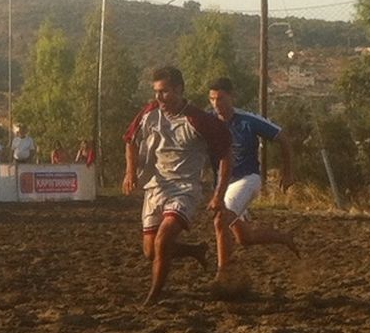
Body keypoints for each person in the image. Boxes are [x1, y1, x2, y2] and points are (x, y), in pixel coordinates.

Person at [123, 65, 232, 306]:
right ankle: (195, 251)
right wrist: (130, 172)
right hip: (155, 188)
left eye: (164, 92)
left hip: (184, 189)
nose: (159, 98)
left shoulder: (198, 120)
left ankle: (153, 297)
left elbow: (225, 154)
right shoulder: (149, 112)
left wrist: (218, 194)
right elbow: (130, 139)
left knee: (163, 240)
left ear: (179, 90)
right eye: (156, 92)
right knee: (150, 252)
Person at [208, 77, 299, 282]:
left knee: (221, 220)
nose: (216, 104)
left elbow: (283, 137)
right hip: (224, 185)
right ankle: (283, 238)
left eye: (221, 98)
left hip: (247, 179)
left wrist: (288, 172)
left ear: (232, 97)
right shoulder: (209, 121)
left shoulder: (247, 120)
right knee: (244, 238)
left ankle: (224, 275)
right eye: (212, 99)